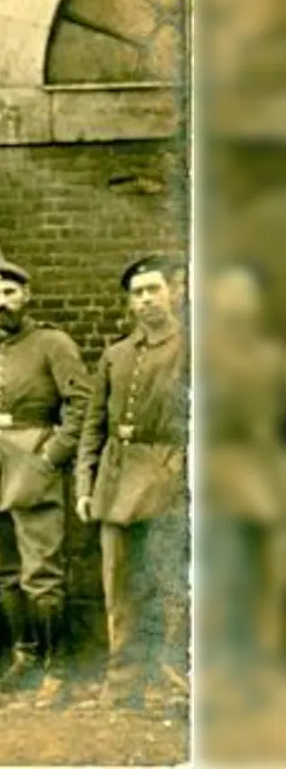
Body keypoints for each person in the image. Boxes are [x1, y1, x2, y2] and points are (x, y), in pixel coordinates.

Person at [0, 260, 86, 707]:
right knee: (5, 571)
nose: (1, 302)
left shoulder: (53, 342)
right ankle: (23, 658)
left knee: (42, 573)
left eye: (10, 292)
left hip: (35, 465)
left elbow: (79, 404)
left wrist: (51, 456)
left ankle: (57, 668)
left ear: (26, 297)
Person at [74, 255, 188, 709]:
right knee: (118, 585)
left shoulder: (192, 347)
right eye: (137, 293)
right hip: (116, 481)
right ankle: (122, 684)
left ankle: (171, 683)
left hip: (167, 476)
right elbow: (92, 426)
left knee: (167, 583)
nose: (145, 300)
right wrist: (84, 485)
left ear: (175, 292)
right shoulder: (115, 355)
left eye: (153, 290)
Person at [198, 260, 286, 697]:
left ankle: (259, 666)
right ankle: (226, 671)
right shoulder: (204, 353)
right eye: (229, 294)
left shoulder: (272, 358)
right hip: (221, 472)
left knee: (268, 578)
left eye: (245, 295)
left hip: (267, 472)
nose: (237, 304)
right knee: (228, 575)